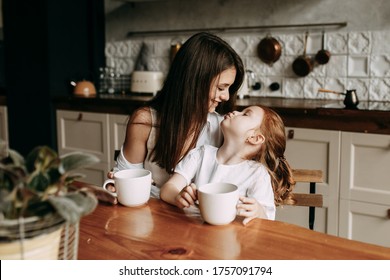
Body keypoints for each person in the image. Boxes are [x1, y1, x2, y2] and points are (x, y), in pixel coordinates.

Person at [109, 32, 245, 196]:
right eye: (221, 88)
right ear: (195, 81)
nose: (226, 97)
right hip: (151, 213)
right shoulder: (145, 121)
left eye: (229, 88)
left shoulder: (223, 126)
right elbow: (125, 174)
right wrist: (114, 187)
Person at [160, 105, 296, 225]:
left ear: (255, 138)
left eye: (245, 114)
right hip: (195, 233)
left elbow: (267, 220)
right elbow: (168, 189)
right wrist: (177, 197)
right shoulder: (201, 154)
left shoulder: (257, 173)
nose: (235, 111)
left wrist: (258, 212)